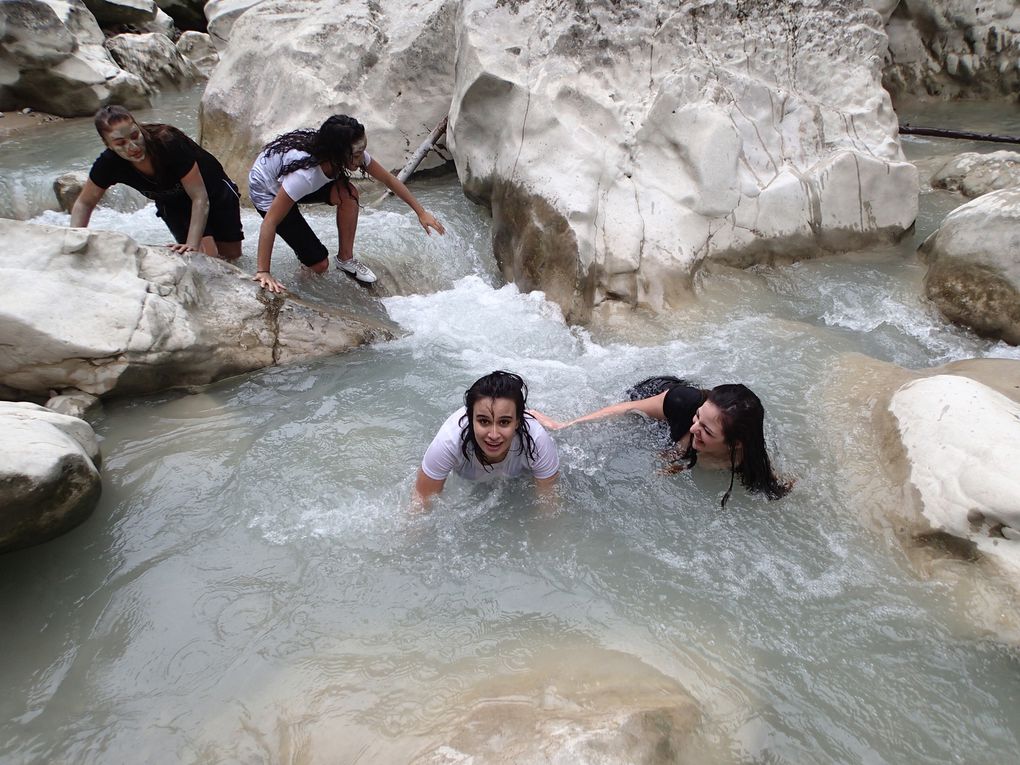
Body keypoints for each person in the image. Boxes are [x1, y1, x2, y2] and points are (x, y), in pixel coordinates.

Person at [248, 114, 445, 293]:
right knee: (320, 265)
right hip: (267, 191)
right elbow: (270, 221)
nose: (362, 159)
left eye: (363, 151)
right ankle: (302, 279)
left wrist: (421, 212)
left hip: (288, 181)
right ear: (337, 153)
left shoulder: (345, 152)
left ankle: (345, 259)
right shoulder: (304, 177)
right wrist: (263, 271)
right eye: (357, 154)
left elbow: (389, 180)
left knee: (349, 193)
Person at [530, 376, 790, 507]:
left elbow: (774, 484)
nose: (695, 427)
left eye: (707, 432)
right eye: (698, 420)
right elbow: (625, 408)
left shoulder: (750, 459)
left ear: (736, 444)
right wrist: (564, 425)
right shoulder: (686, 405)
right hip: (660, 397)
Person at [71, 105, 243, 259]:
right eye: (120, 143)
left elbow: (199, 197)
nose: (133, 147)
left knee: (231, 255)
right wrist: (75, 239)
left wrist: (192, 243)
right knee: (204, 256)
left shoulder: (168, 141)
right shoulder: (108, 164)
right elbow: (84, 203)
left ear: (138, 127)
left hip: (211, 190)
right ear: (107, 144)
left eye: (134, 135)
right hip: (172, 203)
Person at [414, 371, 560, 508]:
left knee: (561, 429)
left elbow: (549, 509)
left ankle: (546, 420)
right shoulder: (449, 441)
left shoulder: (537, 442)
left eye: (504, 422)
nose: (494, 435)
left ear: (517, 422)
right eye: (484, 421)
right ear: (470, 419)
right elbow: (420, 507)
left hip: (528, 456)